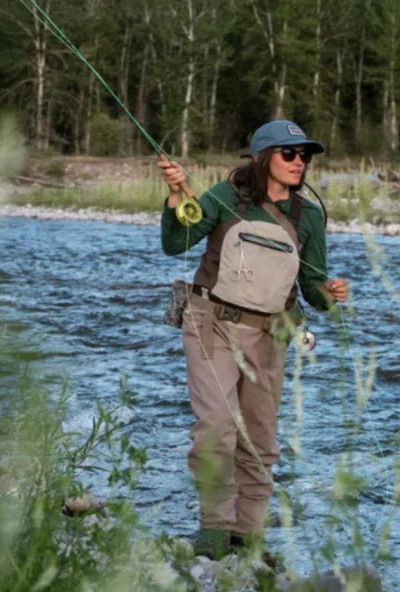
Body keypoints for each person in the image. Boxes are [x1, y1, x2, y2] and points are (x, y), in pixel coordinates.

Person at [158, 119, 349, 561]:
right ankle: (214, 530)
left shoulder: (309, 217)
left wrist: (330, 294)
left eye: (305, 155)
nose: (299, 161)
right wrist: (175, 196)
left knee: (259, 439)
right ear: (263, 157)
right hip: (211, 324)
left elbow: (312, 289)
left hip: (270, 336)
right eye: (290, 153)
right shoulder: (225, 197)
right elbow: (176, 242)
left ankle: (248, 536)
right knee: (217, 429)